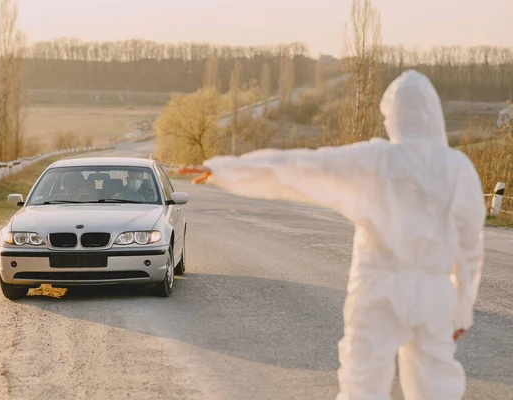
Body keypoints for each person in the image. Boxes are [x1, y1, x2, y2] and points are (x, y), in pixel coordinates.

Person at [178, 70, 485, 399]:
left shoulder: (377, 159)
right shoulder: (458, 167)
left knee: (363, 384)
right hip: (433, 292)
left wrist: (225, 169)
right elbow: (470, 248)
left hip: (379, 288)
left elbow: (305, 167)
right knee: (436, 386)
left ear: (393, 115)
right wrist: (462, 309)